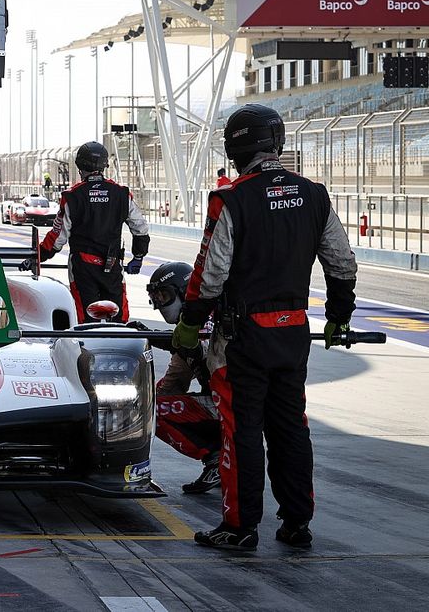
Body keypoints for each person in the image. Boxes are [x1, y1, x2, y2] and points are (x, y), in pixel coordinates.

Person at [172, 104, 357, 551]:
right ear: (277, 143)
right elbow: (343, 264)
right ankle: (297, 524)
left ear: (236, 148)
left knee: (242, 430)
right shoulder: (315, 195)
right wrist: (338, 316)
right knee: (292, 428)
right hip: (293, 331)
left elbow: (209, 275)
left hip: (243, 338)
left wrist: (189, 324)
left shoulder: (231, 199)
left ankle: (239, 527)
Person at [20, 141, 150, 323]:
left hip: (83, 267)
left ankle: (86, 349)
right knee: (119, 319)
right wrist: (138, 256)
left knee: (85, 320)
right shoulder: (121, 193)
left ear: (80, 166)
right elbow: (140, 228)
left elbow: (57, 239)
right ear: (104, 165)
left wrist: (36, 257)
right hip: (112, 266)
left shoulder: (72, 196)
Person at [146, 261, 221, 494]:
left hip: (238, 402)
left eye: (165, 295)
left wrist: (152, 337)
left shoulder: (212, 319)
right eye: (157, 297)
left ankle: (217, 460)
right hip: (221, 403)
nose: (161, 304)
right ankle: (220, 459)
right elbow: (173, 382)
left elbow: (200, 347)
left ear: (183, 292)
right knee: (150, 407)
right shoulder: (185, 331)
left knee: (152, 410)